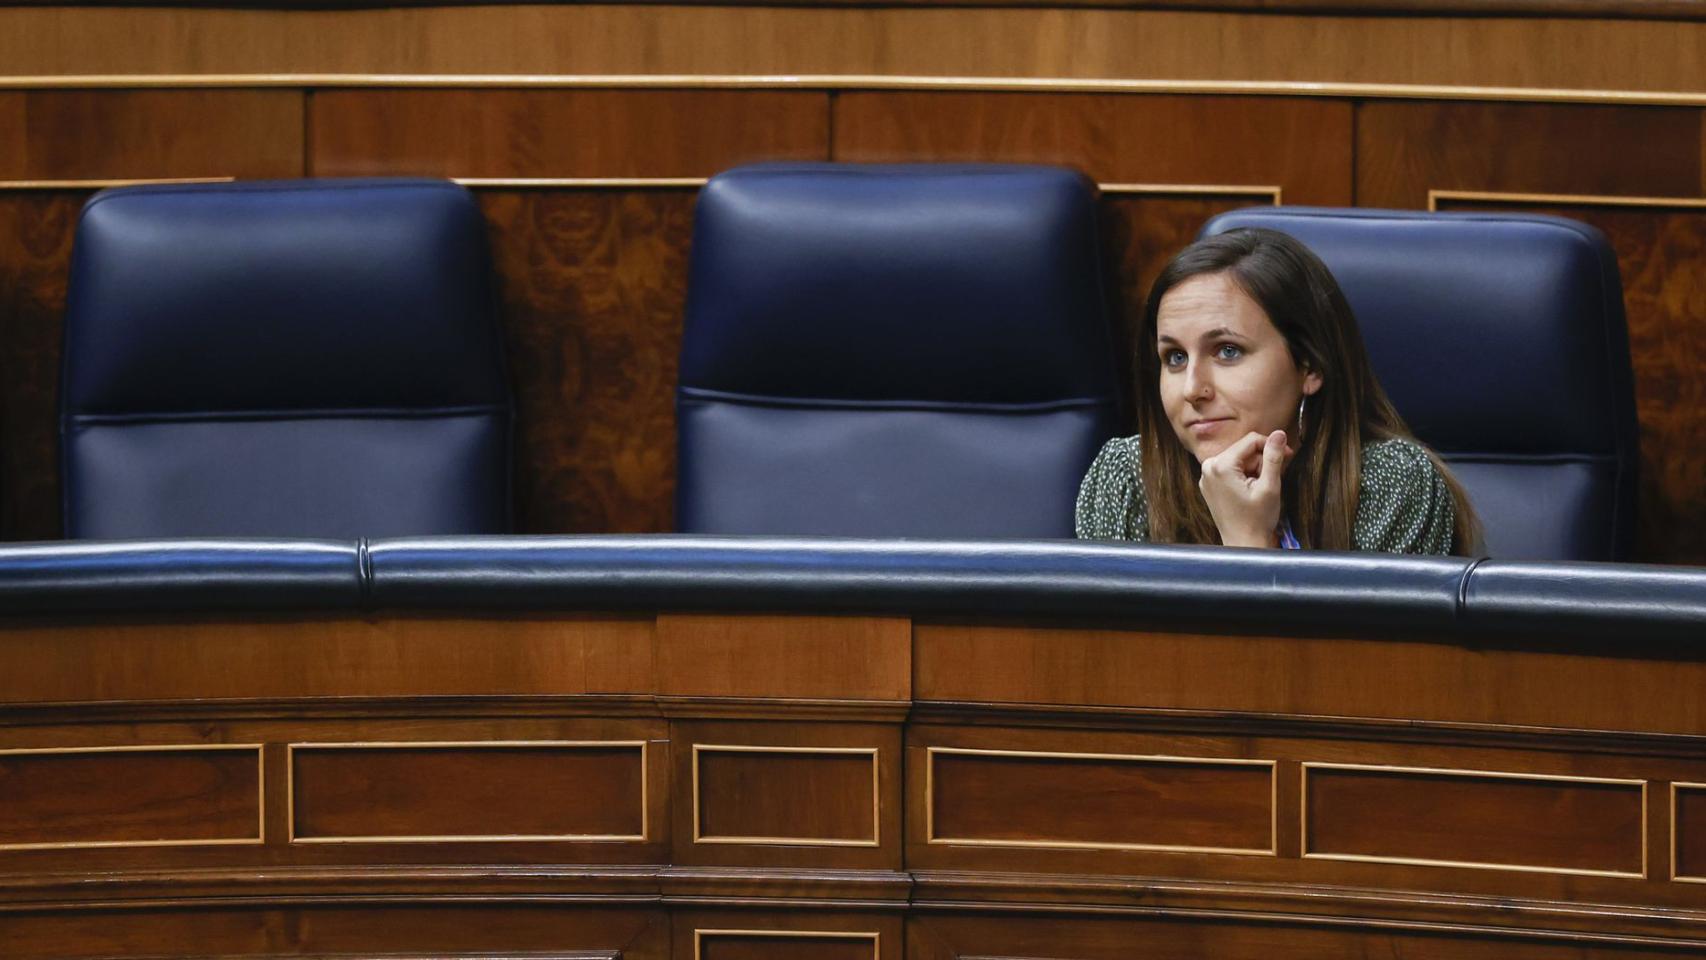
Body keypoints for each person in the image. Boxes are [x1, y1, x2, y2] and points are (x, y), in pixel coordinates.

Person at [1076, 228, 1479, 555]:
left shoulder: (1391, 483)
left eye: (1227, 351)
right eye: (1175, 357)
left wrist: (1248, 544)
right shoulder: (1127, 477)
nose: (1192, 389)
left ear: (1310, 366)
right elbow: (1104, 657)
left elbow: (1361, 659)